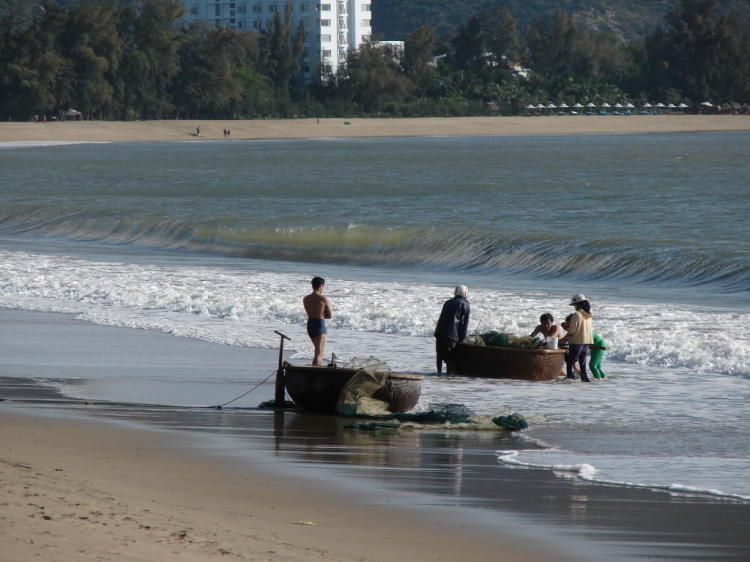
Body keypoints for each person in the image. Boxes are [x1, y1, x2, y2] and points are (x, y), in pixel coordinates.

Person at [433, 285, 471, 374]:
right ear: (466, 293)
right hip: (451, 334)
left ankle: (438, 373)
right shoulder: (465, 304)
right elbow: (464, 324)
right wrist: (462, 338)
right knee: (450, 358)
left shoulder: (447, 302)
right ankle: (448, 376)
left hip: (439, 332)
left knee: (439, 356)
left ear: (455, 292)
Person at [559, 294, 593, 382]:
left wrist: (566, 330)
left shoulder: (576, 315)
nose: (574, 307)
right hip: (586, 342)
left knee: (570, 362)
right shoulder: (588, 315)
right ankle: (584, 378)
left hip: (577, 341)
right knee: (583, 363)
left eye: (574, 305)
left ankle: (570, 378)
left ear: (578, 304)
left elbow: (572, 331)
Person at [562, 315, 608, 380]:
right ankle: (604, 379)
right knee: (597, 366)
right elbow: (565, 340)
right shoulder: (576, 330)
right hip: (598, 344)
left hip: (599, 344)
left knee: (593, 366)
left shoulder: (582, 330)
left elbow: (580, 344)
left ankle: (598, 381)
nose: (569, 326)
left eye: (570, 324)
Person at [302, 276, 333, 366]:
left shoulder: (306, 299)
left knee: (317, 352)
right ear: (321, 285)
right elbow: (330, 315)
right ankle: (315, 374)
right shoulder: (323, 299)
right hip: (319, 325)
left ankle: (314, 371)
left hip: (310, 325)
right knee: (319, 354)